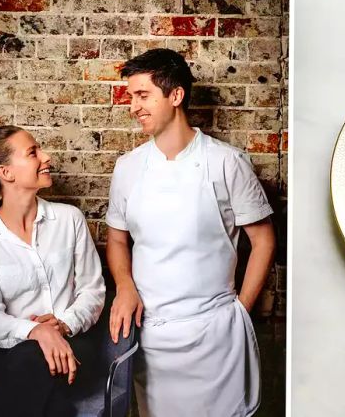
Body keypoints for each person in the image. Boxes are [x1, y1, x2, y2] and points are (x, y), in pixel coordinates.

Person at [105, 48, 276, 417]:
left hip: (216, 335)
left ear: (176, 95)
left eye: (143, 95)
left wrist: (241, 311)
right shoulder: (128, 168)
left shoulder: (226, 162)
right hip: (153, 337)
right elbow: (117, 239)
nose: (133, 106)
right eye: (131, 96)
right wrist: (125, 285)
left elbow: (263, 240)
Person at [0, 125, 106, 417]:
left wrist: (61, 326)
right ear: (6, 173)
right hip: (7, 354)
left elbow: (93, 291)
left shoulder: (69, 220)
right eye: (33, 152)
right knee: (37, 376)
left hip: (73, 346)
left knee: (30, 365)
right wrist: (36, 331)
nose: (47, 157)